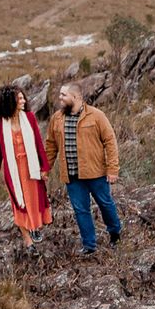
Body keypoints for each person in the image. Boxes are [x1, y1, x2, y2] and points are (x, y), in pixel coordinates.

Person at [43, 80, 122, 256]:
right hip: (72, 176)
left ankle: (115, 233)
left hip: (96, 173)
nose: (60, 98)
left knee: (105, 204)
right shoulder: (57, 118)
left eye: (64, 95)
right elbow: (51, 146)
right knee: (80, 210)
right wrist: (45, 169)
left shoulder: (96, 115)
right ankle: (89, 245)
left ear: (76, 97)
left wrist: (112, 169)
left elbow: (110, 141)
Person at [0, 84, 51, 246]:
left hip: (31, 166)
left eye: (23, 97)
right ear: (10, 102)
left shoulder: (29, 117)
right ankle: (27, 239)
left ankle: (34, 226)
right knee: (19, 200)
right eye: (19, 99)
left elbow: (38, 144)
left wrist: (45, 168)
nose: (24, 101)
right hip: (13, 169)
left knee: (33, 199)